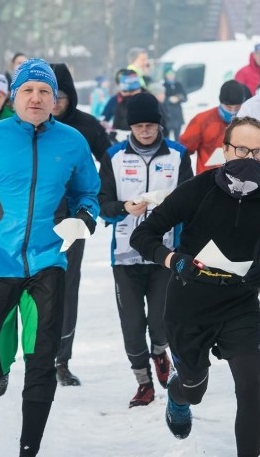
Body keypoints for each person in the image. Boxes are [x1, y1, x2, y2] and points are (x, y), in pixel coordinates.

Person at [0, 58, 100, 457]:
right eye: (28, 90)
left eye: (45, 91)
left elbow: (87, 194)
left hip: (48, 262)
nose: (37, 97)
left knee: (43, 360)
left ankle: (30, 447)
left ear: (54, 98)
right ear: (15, 96)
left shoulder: (73, 142)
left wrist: (84, 219)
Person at [130, 116, 260, 456]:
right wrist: (173, 259)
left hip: (240, 303)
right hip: (189, 305)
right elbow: (143, 235)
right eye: (241, 149)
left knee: (251, 388)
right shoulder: (199, 188)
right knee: (194, 388)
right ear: (224, 150)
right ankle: (179, 398)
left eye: (258, 152)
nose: (249, 158)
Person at [99, 92, 193, 407]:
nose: (145, 131)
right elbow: (103, 205)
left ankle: (159, 352)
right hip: (125, 255)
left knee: (160, 320)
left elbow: (190, 203)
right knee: (132, 325)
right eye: (138, 126)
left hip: (164, 254)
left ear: (159, 124)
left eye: (150, 125)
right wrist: (124, 207)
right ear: (130, 127)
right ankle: (143, 383)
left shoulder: (178, 155)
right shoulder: (112, 156)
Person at [49, 63, 112, 386]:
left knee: (67, 286)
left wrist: (103, 199)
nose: (55, 101)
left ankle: (62, 359)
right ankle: (38, 355)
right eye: (50, 94)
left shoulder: (85, 126)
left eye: (61, 95)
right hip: (39, 218)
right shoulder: (32, 125)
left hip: (74, 219)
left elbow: (111, 159)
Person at [179, 80, 248, 173]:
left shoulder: (249, 122)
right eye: (229, 107)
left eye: (237, 107)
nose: (232, 111)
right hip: (209, 180)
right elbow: (183, 151)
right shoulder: (202, 120)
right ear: (221, 102)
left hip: (240, 178)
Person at [101, 69, 145, 135]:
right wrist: (103, 124)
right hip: (119, 138)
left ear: (139, 88)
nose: (129, 94)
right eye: (125, 91)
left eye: (133, 91)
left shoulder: (149, 100)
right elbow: (104, 118)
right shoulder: (115, 100)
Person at [162, 70, 188, 141]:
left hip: (177, 115)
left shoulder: (178, 85)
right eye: (169, 74)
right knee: (166, 137)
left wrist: (179, 97)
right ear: (166, 75)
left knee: (178, 138)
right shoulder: (163, 86)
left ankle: (178, 150)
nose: (170, 76)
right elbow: (161, 99)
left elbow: (185, 98)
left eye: (172, 74)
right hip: (168, 115)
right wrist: (169, 99)